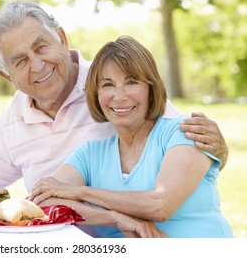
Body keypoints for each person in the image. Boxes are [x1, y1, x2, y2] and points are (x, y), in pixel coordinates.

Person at [0, 0, 228, 236]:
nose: (37, 65)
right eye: (20, 61)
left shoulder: (114, 79)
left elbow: (185, 146)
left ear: (62, 39)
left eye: (41, 46)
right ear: (6, 75)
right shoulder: (75, 147)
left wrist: (218, 153)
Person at [30, 36, 233, 238]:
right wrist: (114, 218)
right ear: (96, 93)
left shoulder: (184, 131)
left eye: (132, 82)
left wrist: (79, 193)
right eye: (108, 85)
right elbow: (42, 203)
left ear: (151, 89)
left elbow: (160, 205)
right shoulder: (89, 154)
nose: (119, 96)